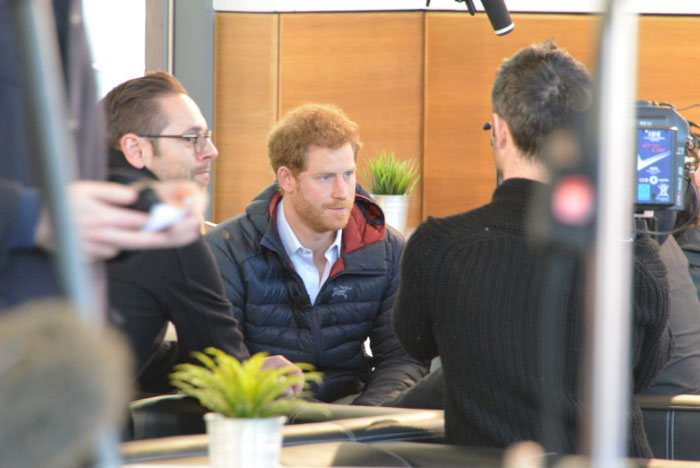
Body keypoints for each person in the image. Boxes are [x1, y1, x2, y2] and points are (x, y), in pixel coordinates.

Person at [391, 41, 671, 457]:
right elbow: (643, 372)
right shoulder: (633, 256)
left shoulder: (437, 247)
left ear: (500, 131)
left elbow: (416, 344)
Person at [205, 103, 429, 405]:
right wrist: (254, 376)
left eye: (348, 174)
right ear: (286, 179)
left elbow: (402, 358)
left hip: (352, 407)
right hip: (264, 411)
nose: (343, 192)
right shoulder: (227, 250)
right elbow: (213, 365)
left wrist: (361, 425)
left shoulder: (386, 248)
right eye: (325, 178)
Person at [102, 71, 299, 394]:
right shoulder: (167, 227)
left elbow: (121, 340)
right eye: (191, 138)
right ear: (135, 149)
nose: (211, 151)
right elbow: (224, 375)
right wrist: (250, 374)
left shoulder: (58, 201)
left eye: (206, 136)